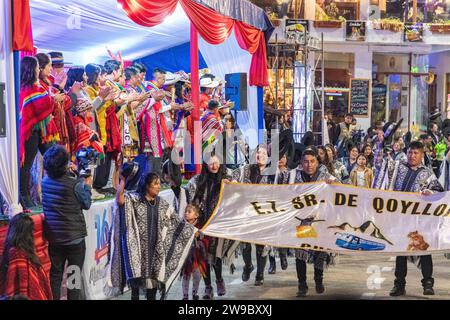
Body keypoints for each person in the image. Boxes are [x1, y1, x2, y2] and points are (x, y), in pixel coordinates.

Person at [372, 141, 443, 296]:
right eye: (410, 152)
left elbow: (438, 190)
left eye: (416, 153)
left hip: (419, 221)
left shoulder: (427, 173)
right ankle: (399, 285)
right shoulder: (397, 166)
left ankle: (428, 283)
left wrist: (430, 193)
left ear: (422, 155)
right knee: (400, 252)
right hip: (399, 219)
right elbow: (378, 164)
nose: (412, 156)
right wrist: (380, 143)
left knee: (424, 250)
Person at [111, 172, 196, 300]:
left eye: (159, 184)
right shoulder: (135, 199)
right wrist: (123, 180)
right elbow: (120, 199)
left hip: (155, 253)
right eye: (155, 184)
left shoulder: (162, 204)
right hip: (138, 255)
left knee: (152, 292)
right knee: (135, 292)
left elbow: (176, 221)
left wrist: (192, 229)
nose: (158, 187)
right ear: (146, 186)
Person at [41, 145, 93, 300]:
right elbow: (86, 204)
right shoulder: (75, 184)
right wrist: (87, 186)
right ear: (64, 164)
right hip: (74, 239)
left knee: (56, 275)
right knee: (73, 275)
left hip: (55, 238)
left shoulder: (44, 182)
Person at [285, 147, 337, 297]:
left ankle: (318, 280)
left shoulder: (325, 175)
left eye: (312, 161)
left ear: (317, 161)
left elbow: (340, 189)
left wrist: (332, 184)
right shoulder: (294, 176)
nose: (309, 165)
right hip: (302, 221)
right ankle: (302, 284)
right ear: (301, 162)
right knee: (300, 253)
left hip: (321, 221)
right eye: (306, 162)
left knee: (320, 252)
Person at [184, 154, 235, 299]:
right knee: (203, 257)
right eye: (211, 163)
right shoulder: (198, 180)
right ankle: (208, 287)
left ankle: (219, 280)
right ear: (205, 164)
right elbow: (189, 196)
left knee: (216, 255)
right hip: (202, 226)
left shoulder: (227, 178)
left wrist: (230, 186)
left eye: (216, 162)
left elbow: (238, 191)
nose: (214, 166)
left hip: (219, 225)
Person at [232, 144, 277, 286]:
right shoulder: (246, 170)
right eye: (258, 152)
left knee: (261, 246)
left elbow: (287, 184)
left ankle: (260, 274)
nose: (260, 155)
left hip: (264, 215)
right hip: (246, 214)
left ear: (268, 157)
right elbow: (233, 175)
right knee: (245, 245)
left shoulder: (273, 173)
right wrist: (232, 182)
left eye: (264, 153)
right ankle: (248, 265)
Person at [19, 56, 60, 209]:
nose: (38, 70)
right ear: (33, 69)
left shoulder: (38, 85)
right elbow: (41, 105)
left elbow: (45, 102)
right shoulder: (27, 88)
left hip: (42, 131)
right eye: (37, 67)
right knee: (26, 166)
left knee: (53, 159)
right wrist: (53, 98)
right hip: (30, 132)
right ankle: (24, 197)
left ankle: (55, 193)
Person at [0, 213, 52, 300]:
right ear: (26, 233)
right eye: (31, 230)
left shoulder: (12, 247)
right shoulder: (18, 254)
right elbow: (23, 287)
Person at [181, 204, 207, 301]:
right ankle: (185, 295)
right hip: (185, 257)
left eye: (189, 212)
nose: (186, 213)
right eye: (185, 211)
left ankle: (194, 293)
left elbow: (205, 239)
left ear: (196, 215)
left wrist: (199, 238)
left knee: (197, 275)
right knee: (186, 275)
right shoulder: (182, 225)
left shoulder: (200, 227)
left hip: (197, 257)